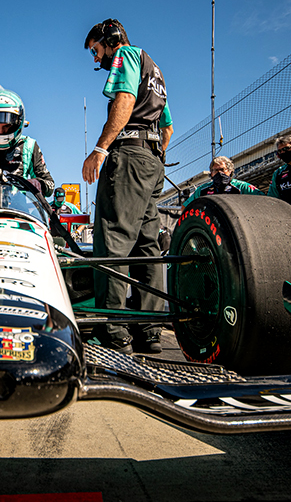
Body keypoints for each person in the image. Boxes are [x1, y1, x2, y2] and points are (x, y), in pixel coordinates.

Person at [81, 19, 173, 355]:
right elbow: (167, 127)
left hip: (129, 155)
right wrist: (153, 159)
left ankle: (112, 330)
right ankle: (148, 331)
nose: (96, 59)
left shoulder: (126, 55)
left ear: (110, 40)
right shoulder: (156, 69)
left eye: (96, 50)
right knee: (148, 245)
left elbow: (124, 99)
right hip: (153, 160)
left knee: (113, 239)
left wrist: (101, 148)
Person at [181, 156, 263, 212]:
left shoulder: (242, 187)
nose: (219, 173)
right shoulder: (202, 190)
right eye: (215, 170)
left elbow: (264, 201)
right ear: (211, 173)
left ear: (230, 170)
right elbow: (184, 207)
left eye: (222, 169)